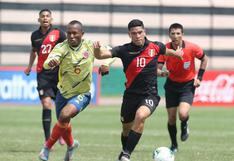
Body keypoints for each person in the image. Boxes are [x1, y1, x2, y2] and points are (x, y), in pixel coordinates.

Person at [93, 19, 183, 161]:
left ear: (144, 32)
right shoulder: (123, 50)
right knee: (126, 130)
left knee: (141, 116)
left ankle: (126, 154)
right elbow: (100, 56)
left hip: (150, 94)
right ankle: (125, 151)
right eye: (134, 33)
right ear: (129, 34)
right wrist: (97, 49)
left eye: (140, 32)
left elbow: (168, 52)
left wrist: (177, 54)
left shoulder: (156, 47)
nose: (137, 35)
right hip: (130, 96)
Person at [38, 20, 111, 161]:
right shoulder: (61, 47)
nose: (71, 36)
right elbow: (48, 62)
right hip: (63, 92)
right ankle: (71, 145)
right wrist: (51, 63)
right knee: (63, 122)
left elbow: (111, 52)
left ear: (82, 34)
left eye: (75, 33)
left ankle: (46, 149)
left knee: (65, 115)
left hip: (82, 93)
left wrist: (105, 64)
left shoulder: (90, 45)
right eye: (69, 33)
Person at [158, 23, 208, 153]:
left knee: (183, 113)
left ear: (182, 35)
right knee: (171, 118)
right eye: (173, 33)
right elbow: (157, 69)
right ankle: (174, 145)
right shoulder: (165, 49)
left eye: (178, 33)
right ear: (169, 35)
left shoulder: (191, 47)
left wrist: (199, 78)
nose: (175, 36)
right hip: (171, 85)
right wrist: (163, 73)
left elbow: (204, 59)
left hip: (187, 85)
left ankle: (185, 124)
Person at [24, 9, 66, 146]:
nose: (45, 18)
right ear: (39, 19)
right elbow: (34, 51)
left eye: (48, 16)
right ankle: (48, 139)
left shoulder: (59, 33)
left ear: (51, 19)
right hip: (43, 74)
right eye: (43, 16)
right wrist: (29, 66)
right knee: (46, 104)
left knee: (61, 108)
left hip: (58, 74)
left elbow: (68, 49)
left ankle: (61, 133)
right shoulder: (34, 35)